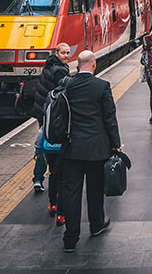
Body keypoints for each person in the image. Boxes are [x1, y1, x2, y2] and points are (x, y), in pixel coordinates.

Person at [57, 50, 121, 252]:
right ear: (93, 64)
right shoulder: (102, 86)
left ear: (78, 65)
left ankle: (70, 239)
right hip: (96, 148)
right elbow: (109, 117)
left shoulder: (68, 85)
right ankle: (96, 225)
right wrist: (116, 143)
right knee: (95, 190)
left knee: (72, 193)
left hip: (72, 148)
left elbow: (61, 114)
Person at [30, 43, 71, 223]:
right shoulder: (59, 72)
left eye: (68, 53)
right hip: (52, 116)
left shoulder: (49, 65)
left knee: (46, 153)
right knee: (58, 166)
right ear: (57, 53)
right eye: (63, 52)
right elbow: (65, 91)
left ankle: (45, 190)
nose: (66, 55)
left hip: (43, 111)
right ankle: (60, 209)